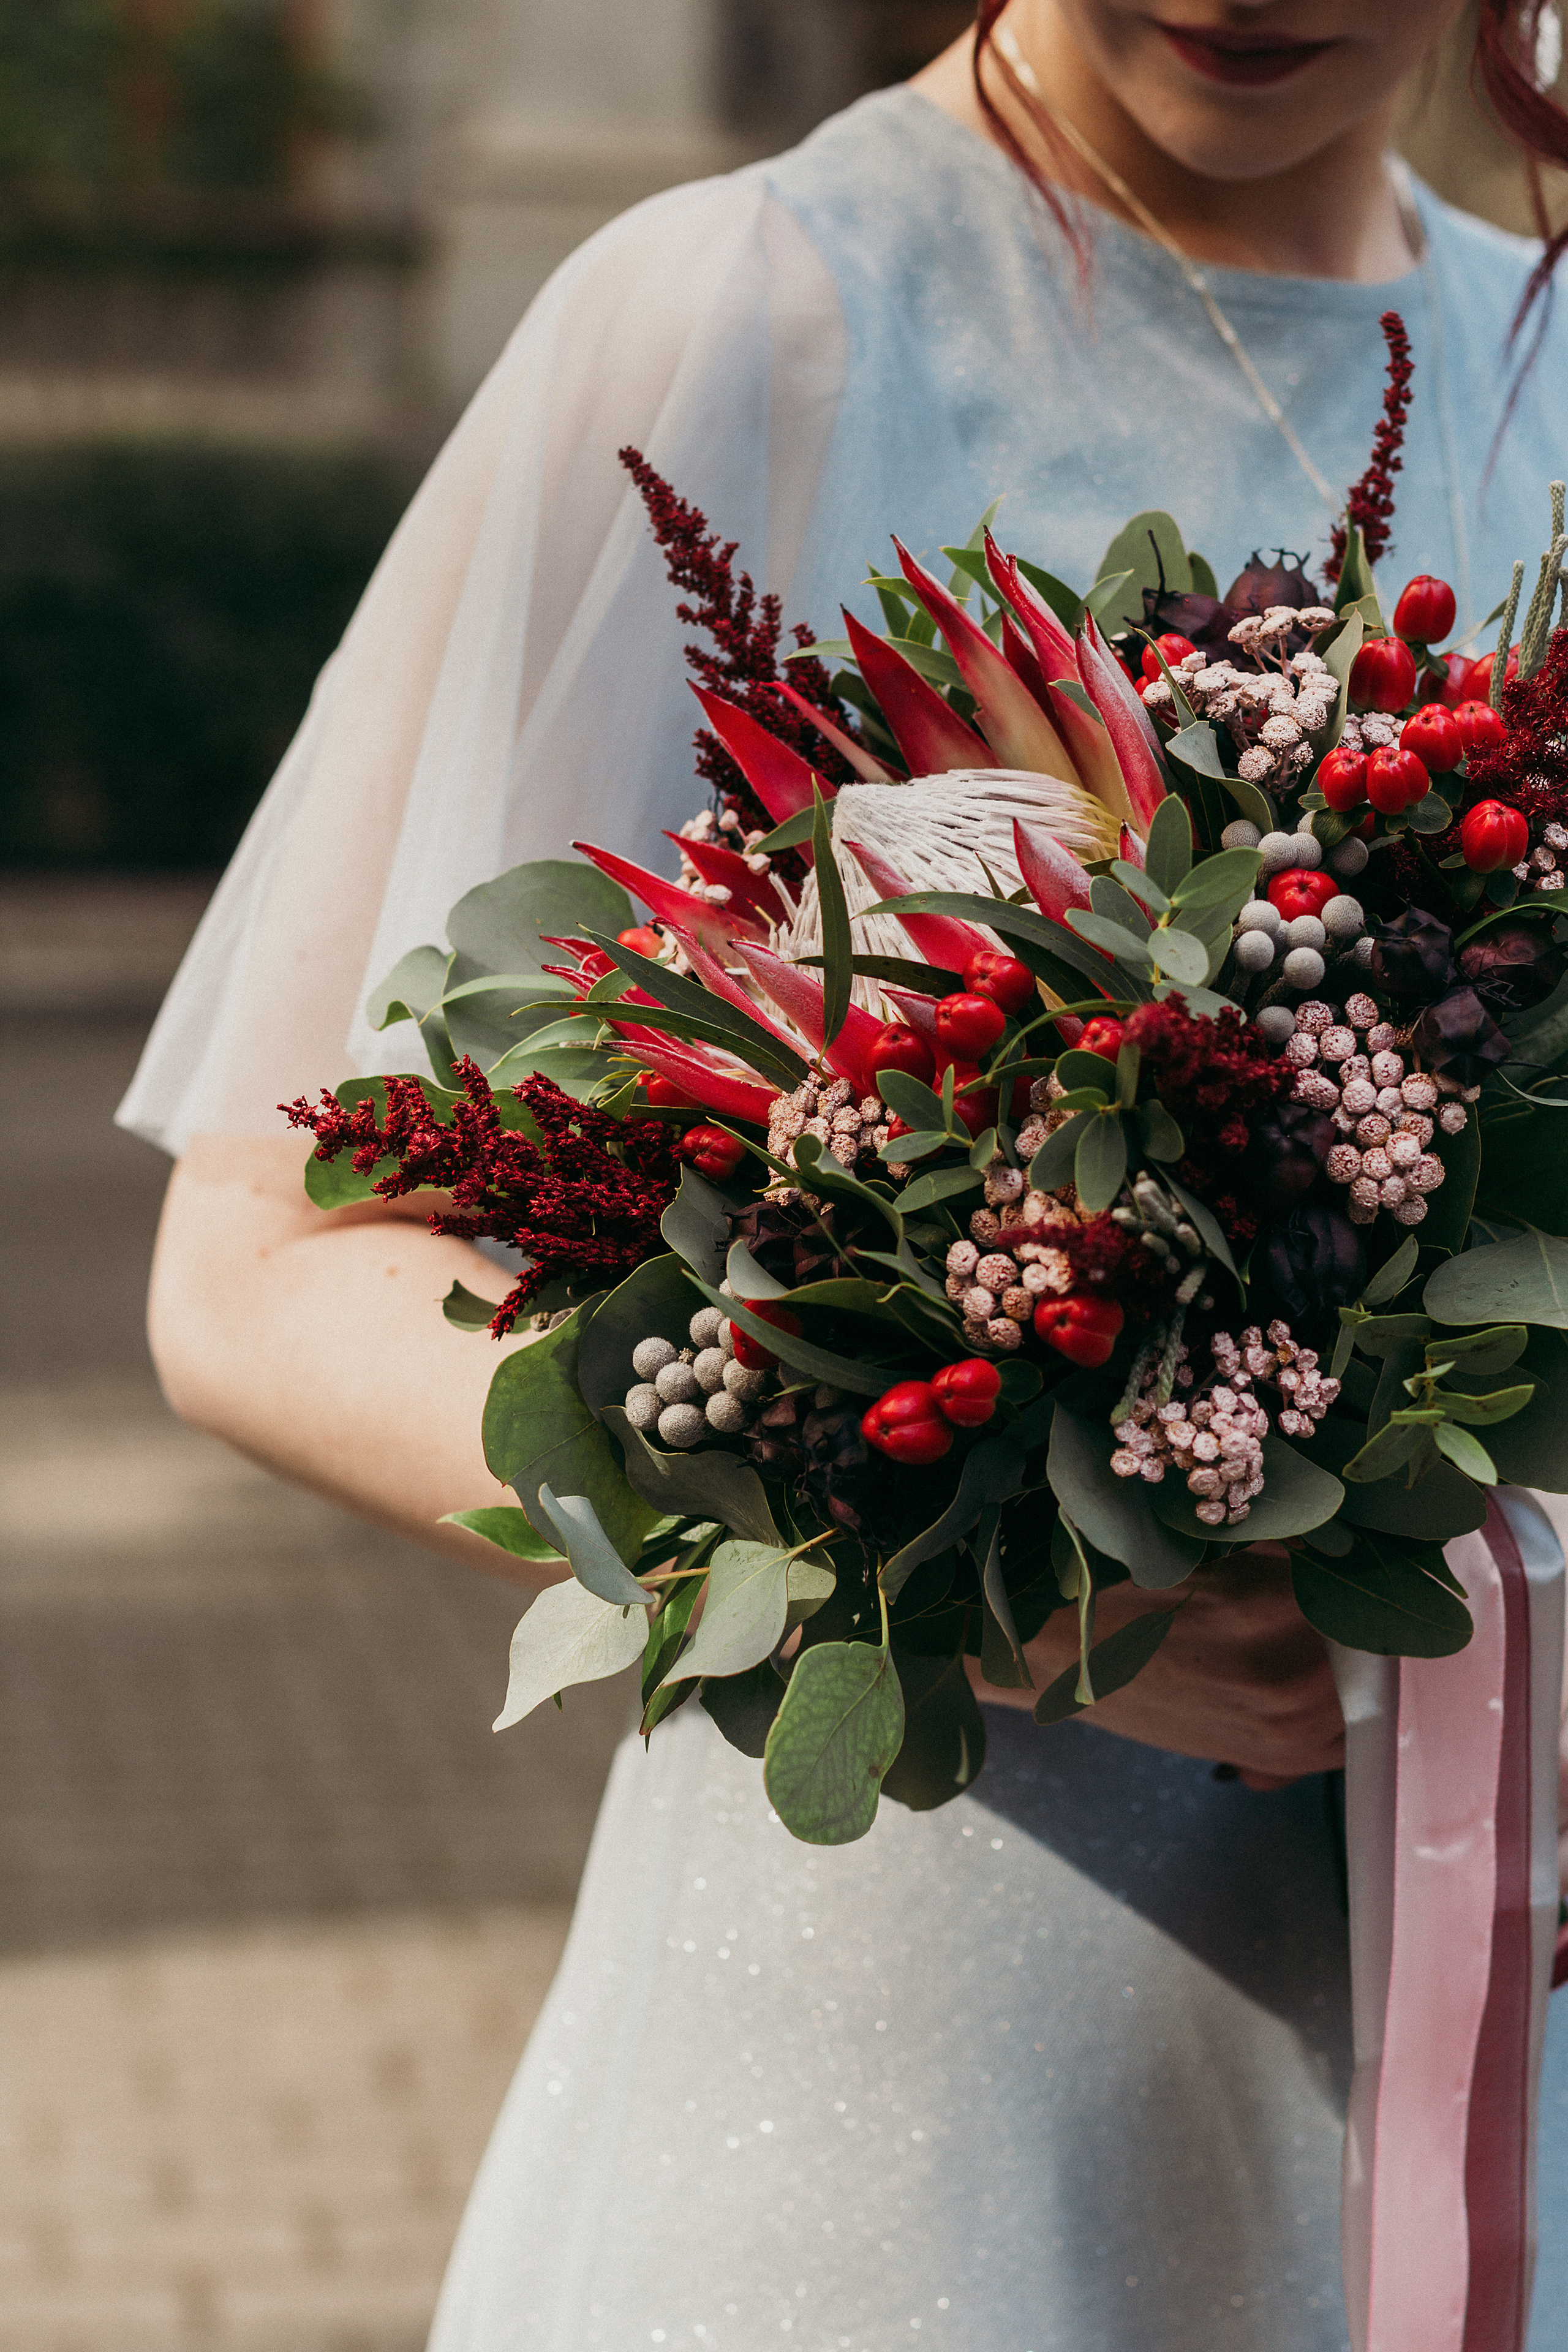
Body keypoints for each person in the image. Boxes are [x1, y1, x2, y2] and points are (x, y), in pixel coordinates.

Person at [123, 2, 1568, 2343]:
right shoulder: (749, 314)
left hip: (1493, 2068)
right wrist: (978, 1592)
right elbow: (262, 1275)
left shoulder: (1554, 360)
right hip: (901, 2096)